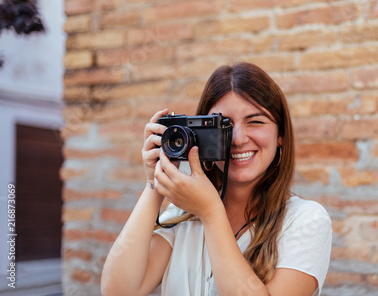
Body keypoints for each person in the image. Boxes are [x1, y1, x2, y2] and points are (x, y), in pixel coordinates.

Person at [101, 62, 332, 296]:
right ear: (200, 135)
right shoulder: (180, 220)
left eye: (255, 122)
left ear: (280, 135)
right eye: (223, 125)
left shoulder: (306, 221)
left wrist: (211, 213)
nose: (238, 139)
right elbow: (118, 291)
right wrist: (155, 184)